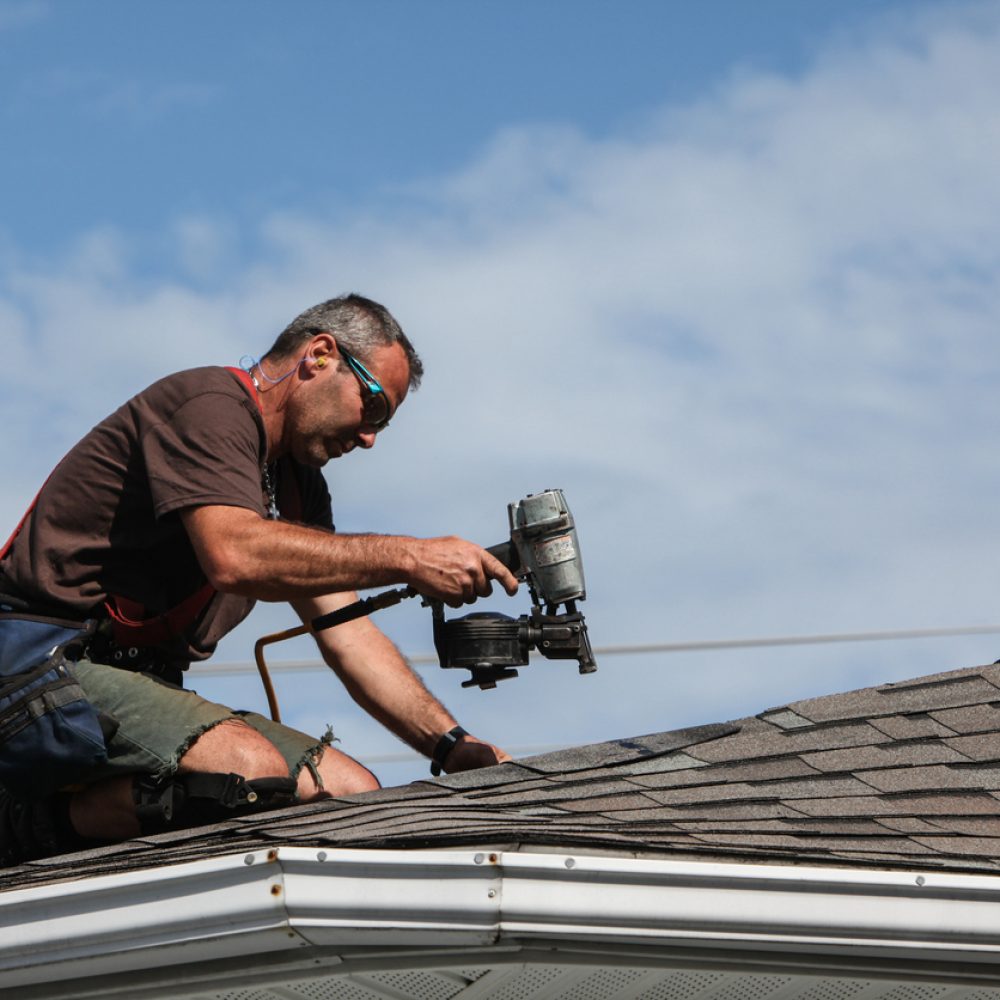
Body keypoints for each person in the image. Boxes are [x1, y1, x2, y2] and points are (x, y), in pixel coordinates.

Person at [0, 293, 519, 865]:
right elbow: (234, 553)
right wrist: (410, 557)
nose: (370, 437)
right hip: (34, 669)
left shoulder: (298, 485)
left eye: (384, 425)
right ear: (320, 355)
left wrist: (451, 746)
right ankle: (20, 826)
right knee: (246, 771)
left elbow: (350, 636)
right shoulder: (209, 406)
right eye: (372, 407)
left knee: (350, 796)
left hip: (124, 683)